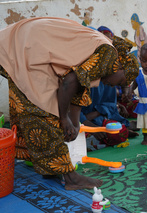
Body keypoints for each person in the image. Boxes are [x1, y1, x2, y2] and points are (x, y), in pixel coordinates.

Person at [0, 17, 139, 190]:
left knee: (40, 107)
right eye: (121, 81)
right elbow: (69, 83)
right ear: (120, 68)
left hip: (26, 42)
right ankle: (71, 178)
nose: (115, 86)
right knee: (43, 111)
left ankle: (51, 167)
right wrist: (64, 119)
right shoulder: (109, 56)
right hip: (26, 46)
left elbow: (79, 88)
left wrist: (75, 123)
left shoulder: (104, 57)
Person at [80, 82, 139, 150]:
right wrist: (94, 129)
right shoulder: (81, 82)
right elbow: (74, 115)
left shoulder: (109, 83)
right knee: (79, 140)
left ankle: (119, 131)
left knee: (117, 131)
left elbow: (110, 105)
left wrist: (101, 112)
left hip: (99, 118)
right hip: (80, 124)